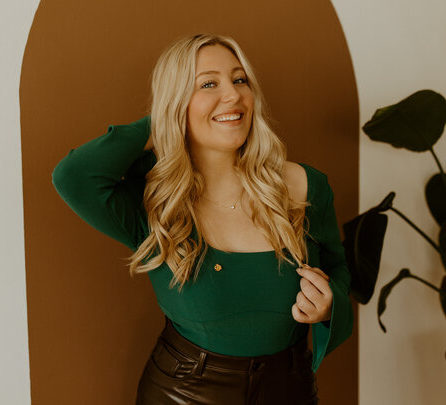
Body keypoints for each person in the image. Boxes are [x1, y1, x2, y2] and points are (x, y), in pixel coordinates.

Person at [52, 33, 353, 405]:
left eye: (239, 79)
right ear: (176, 103)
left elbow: (338, 268)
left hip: (288, 390)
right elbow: (73, 176)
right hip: (184, 393)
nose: (233, 94)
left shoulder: (304, 186)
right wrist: (164, 118)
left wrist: (327, 306)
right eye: (208, 84)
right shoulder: (155, 198)